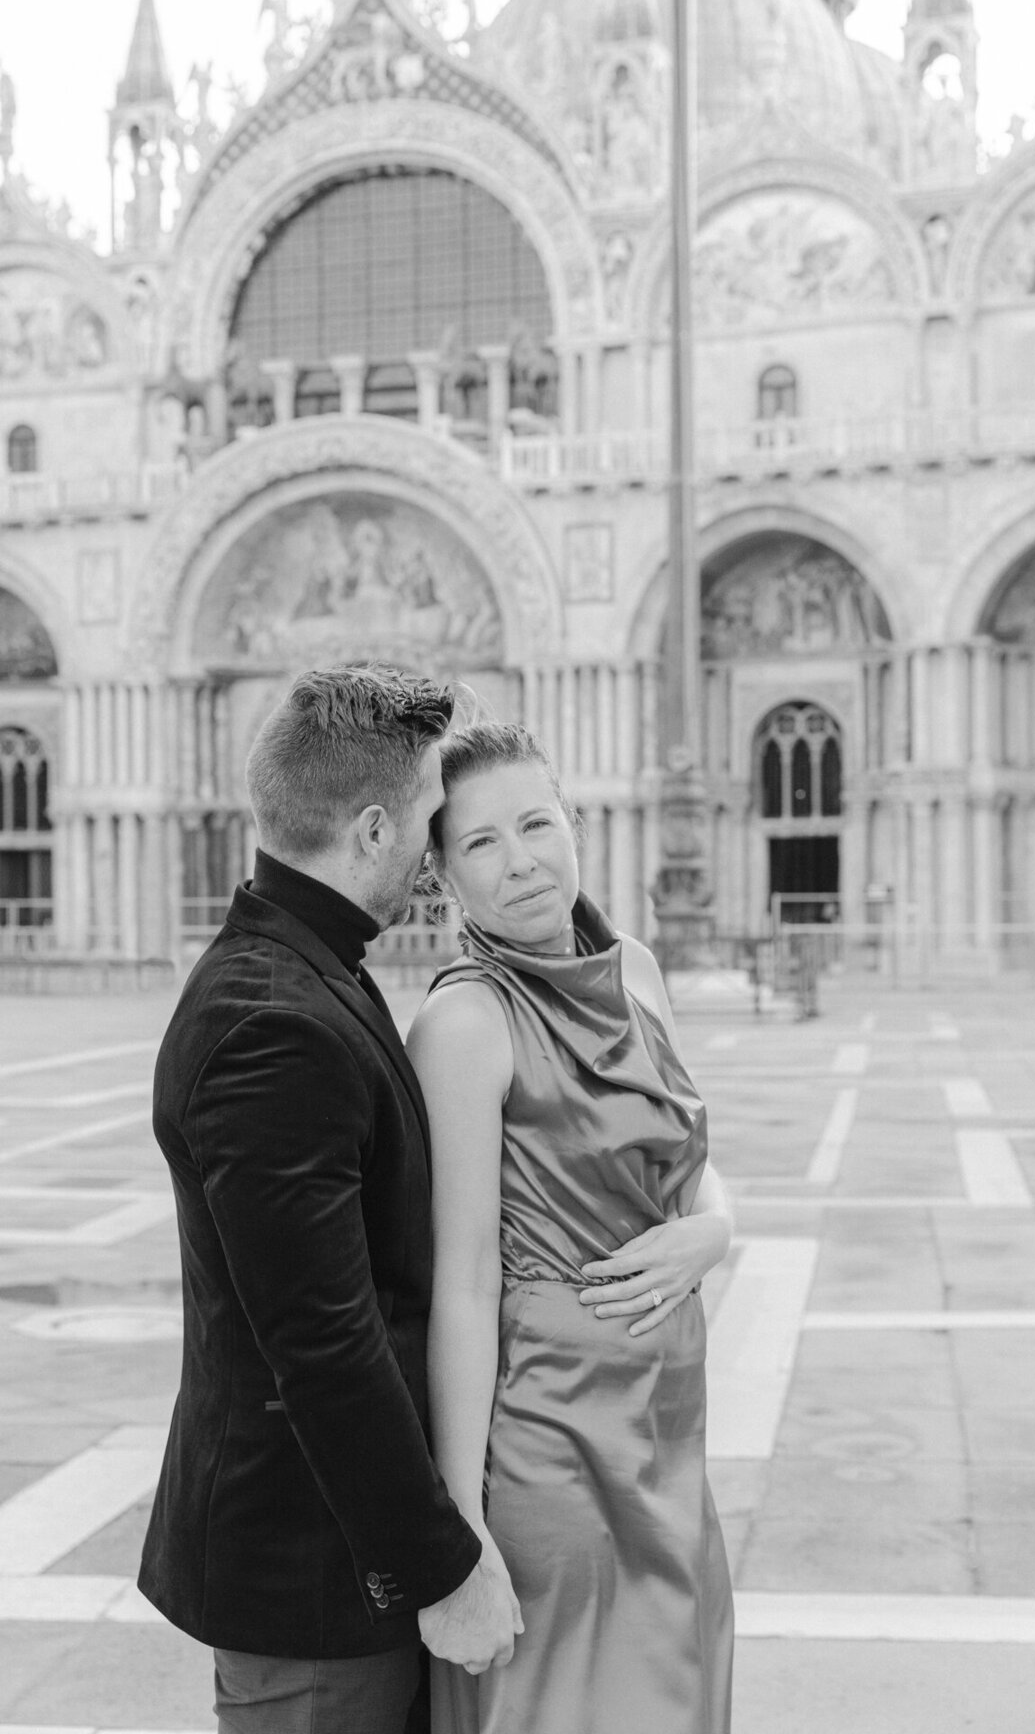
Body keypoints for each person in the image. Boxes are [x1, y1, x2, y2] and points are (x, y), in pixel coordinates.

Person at [138, 667, 523, 1734]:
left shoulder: (309, 969)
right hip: (314, 1583)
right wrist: (443, 1568)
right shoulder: (275, 1023)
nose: (437, 861)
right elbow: (323, 1345)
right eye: (428, 826)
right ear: (367, 830)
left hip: (338, 1566)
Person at [407, 722, 735, 1734]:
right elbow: (459, 1286)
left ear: (574, 820)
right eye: (481, 844)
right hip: (549, 1445)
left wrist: (715, 1231)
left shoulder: (635, 966)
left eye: (536, 824)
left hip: (669, 1429)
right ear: (445, 877)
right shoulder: (463, 1023)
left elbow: (690, 1162)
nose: (521, 863)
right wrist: (458, 1531)